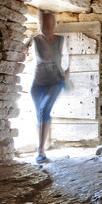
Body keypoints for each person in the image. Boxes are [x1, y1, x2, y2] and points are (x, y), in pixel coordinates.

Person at [30, 10, 69, 163]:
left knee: (44, 110)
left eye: (49, 24)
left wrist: (67, 72)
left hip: (55, 81)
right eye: (43, 24)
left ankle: (40, 151)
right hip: (38, 82)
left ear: (54, 25)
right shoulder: (35, 40)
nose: (46, 27)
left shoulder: (61, 40)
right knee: (40, 115)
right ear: (40, 25)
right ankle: (40, 147)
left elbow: (67, 59)